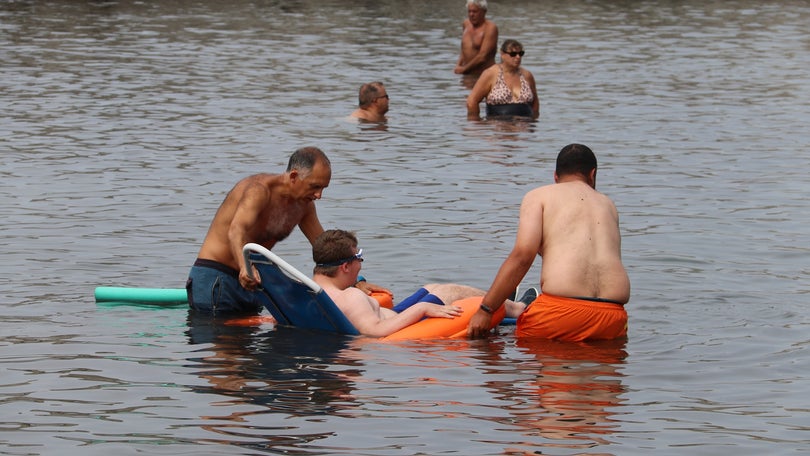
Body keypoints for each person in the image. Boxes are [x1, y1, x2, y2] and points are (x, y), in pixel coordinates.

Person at [187, 147, 387, 315]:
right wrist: (244, 267)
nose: (319, 195)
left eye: (324, 188)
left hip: (255, 284)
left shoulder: (304, 205)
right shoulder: (259, 191)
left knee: (249, 358)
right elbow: (237, 231)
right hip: (217, 279)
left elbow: (325, 247)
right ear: (293, 177)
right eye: (315, 186)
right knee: (225, 358)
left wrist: (356, 281)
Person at [468, 144, 631, 341]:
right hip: (613, 320)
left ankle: (510, 312)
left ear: (555, 176)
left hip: (559, 314)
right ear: (592, 174)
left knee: (488, 346)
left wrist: (486, 310)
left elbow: (522, 256)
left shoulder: (539, 196)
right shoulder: (608, 204)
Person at [312, 229, 529, 338]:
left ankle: (508, 300)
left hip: (394, 316)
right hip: (405, 327)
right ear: (344, 267)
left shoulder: (307, 291)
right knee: (450, 291)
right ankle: (519, 309)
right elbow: (375, 332)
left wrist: (357, 284)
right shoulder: (351, 297)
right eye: (358, 257)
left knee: (432, 287)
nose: (361, 263)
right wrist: (422, 308)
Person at [466, 39, 539, 120]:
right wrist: (477, 125)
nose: (518, 57)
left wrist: (534, 123)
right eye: (513, 54)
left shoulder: (527, 75)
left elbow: (535, 103)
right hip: (498, 127)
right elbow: (472, 101)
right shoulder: (490, 74)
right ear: (502, 54)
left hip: (525, 127)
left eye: (521, 54)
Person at [454, 0, 498, 75]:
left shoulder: (490, 28)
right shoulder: (466, 24)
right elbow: (464, 49)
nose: (471, 14)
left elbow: (482, 56)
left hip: (484, 75)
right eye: (469, 11)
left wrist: (464, 69)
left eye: (475, 12)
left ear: (484, 12)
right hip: (467, 73)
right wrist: (458, 65)